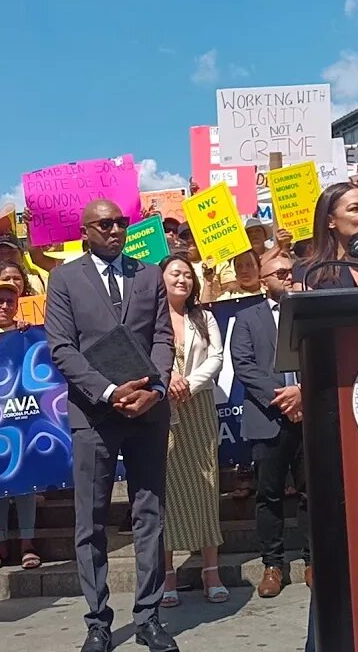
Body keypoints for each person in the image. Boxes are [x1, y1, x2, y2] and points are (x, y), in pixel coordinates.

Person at [43, 199, 179, 652]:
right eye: (106, 223)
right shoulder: (65, 279)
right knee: (91, 519)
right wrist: (109, 392)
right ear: (86, 231)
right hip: (94, 414)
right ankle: (98, 620)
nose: (116, 229)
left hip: (148, 411)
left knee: (149, 513)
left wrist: (154, 391)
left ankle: (149, 616)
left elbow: (162, 337)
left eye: (122, 222)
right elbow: (62, 348)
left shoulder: (147, 274)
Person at [230, 253, 310, 598]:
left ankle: (313, 560)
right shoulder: (247, 318)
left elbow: (322, 353)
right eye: (280, 272)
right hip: (269, 417)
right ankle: (273, 564)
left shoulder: (308, 311)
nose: (288, 276)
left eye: (291, 270)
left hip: (309, 414)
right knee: (269, 495)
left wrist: (303, 394)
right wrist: (284, 398)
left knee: (311, 493)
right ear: (263, 280)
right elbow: (243, 364)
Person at [157, 254, 228, 607]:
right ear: (162, 279)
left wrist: (188, 384)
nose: (182, 279)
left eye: (187, 274)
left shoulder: (205, 318)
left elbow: (217, 357)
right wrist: (167, 380)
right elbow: (143, 356)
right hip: (162, 409)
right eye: (175, 273)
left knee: (207, 483)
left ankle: (210, 571)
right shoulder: (148, 319)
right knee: (167, 490)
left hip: (198, 408)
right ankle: (167, 575)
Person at [0, 280, 42, 569]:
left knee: (25, 479)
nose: (4, 306)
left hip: (23, 413)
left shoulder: (27, 333)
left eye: (9, 300)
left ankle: (27, 543)